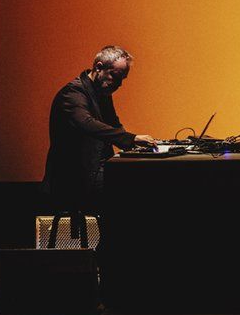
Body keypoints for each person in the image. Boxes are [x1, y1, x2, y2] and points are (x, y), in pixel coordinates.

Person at [42, 45, 156, 213]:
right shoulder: (72, 93)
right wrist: (131, 139)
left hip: (95, 169)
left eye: (122, 79)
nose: (119, 84)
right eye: (115, 77)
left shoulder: (101, 93)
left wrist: (139, 147)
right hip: (75, 176)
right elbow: (87, 124)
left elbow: (114, 125)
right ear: (99, 67)